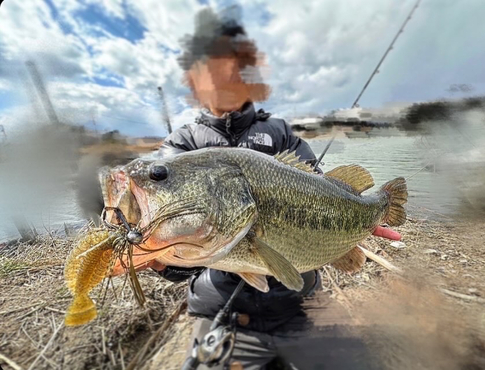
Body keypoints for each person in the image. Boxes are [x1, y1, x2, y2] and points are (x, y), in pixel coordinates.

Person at [138, 7, 401, 370]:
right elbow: (179, 246)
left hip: (300, 302)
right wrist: (156, 256)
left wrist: (360, 214)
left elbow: (323, 194)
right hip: (224, 311)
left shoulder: (279, 132)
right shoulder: (182, 144)